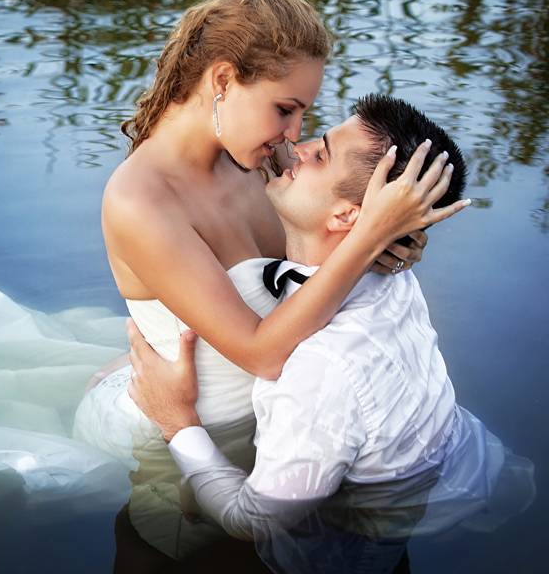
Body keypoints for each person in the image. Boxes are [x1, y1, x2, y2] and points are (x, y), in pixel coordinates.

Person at [75, 0, 465, 561]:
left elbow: (313, 252)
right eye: (285, 109)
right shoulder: (141, 199)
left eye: (302, 113)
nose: (295, 137)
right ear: (224, 80)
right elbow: (262, 354)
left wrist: (390, 237)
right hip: (178, 428)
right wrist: (369, 238)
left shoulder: (260, 157)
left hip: (280, 425)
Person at [124, 94, 532, 572]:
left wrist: (178, 424)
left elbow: (254, 520)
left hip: (356, 542)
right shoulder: (392, 266)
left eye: (321, 154)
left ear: (350, 218)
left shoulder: (318, 371)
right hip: (468, 467)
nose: (297, 146)